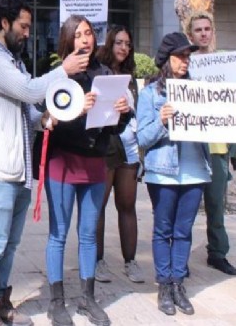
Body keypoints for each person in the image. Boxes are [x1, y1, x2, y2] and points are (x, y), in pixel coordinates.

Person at [0, 0, 89, 326]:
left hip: (17, 169)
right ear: (4, 24)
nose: (27, 33)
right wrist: (63, 70)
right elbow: (29, 90)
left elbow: (29, 110)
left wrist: (47, 119)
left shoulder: (11, 58)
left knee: (10, 244)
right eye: (22, 27)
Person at [41, 16, 131, 326]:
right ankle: (56, 302)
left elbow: (114, 125)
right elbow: (48, 120)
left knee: (89, 234)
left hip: (95, 162)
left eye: (89, 33)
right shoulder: (58, 76)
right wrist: (78, 111)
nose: (85, 39)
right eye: (78, 34)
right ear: (67, 40)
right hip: (63, 162)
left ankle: (87, 298)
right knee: (59, 234)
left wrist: (121, 113)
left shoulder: (105, 74)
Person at [137, 32, 209, 316]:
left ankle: (178, 283)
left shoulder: (199, 90)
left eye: (188, 57)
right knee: (163, 230)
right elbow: (141, 139)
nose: (184, 62)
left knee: (184, 231)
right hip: (163, 173)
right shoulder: (150, 94)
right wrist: (161, 120)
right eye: (180, 56)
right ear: (166, 59)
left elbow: (214, 125)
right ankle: (164, 284)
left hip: (195, 172)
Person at [186, 11, 236, 276]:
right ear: (191, 35)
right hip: (193, 148)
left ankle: (217, 253)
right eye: (198, 30)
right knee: (184, 208)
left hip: (218, 148)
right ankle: (179, 258)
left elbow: (235, 103)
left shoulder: (226, 65)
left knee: (216, 206)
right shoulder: (185, 66)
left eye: (207, 28)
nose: (204, 33)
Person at [94, 25, 144, 285]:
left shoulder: (131, 78)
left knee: (127, 205)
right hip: (106, 146)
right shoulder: (100, 74)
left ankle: (130, 261)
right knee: (99, 205)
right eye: (119, 43)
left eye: (128, 43)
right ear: (110, 44)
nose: (124, 48)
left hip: (129, 148)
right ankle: (98, 260)